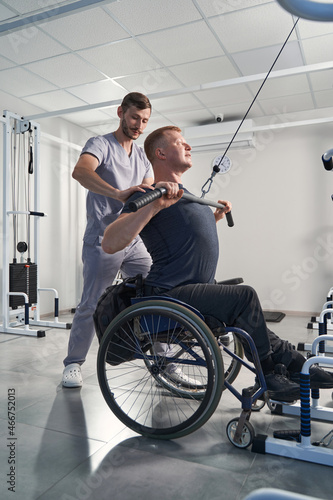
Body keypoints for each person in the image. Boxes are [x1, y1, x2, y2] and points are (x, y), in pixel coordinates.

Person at [101, 125, 333, 402]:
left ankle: (294, 363)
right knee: (243, 296)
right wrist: (153, 205)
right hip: (167, 293)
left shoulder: (187, 196)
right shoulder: (149, 195)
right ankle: (270, 374)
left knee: (246, 312)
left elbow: (186, 239)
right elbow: (110, 242)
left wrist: (214, 219)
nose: (188, 147)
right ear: (160, 153)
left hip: (194, 290)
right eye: (181, 143)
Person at [62, 92, 154, 388]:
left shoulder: (142, 156)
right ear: (120, 113)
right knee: (91, 303)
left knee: (155, 293)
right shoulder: (100, 144)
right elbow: (81, 171)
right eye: (134, 118)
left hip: (134, 240)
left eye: (144, 121)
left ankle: (162, 362)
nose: (139, 125)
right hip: (102, 239)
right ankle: (73, 364)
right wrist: (117, 193)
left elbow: (150, 195)